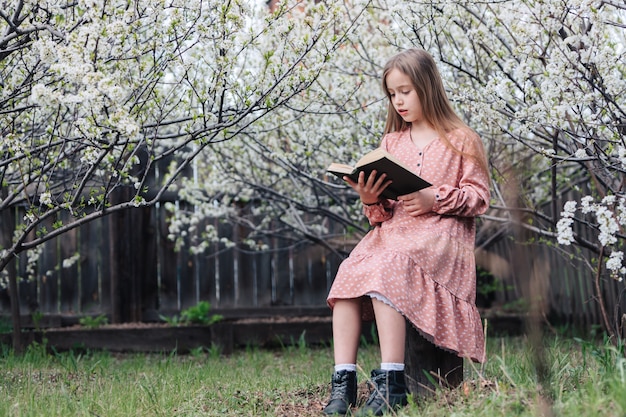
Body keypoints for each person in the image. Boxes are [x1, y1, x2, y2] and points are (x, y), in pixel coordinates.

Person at [323, 48, 491, 416]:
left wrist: (435, 198)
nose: (398, 101)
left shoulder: (462, 139)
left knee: (389, 267)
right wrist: (371, 199)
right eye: (392, 94)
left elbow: (479, 198)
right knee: (348, 274)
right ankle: (343, 383)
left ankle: (392, 383)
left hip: (440, 236)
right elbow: (382, 214)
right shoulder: (392, 142)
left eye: (406, 91)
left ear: (427, 87)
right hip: (394, 233)